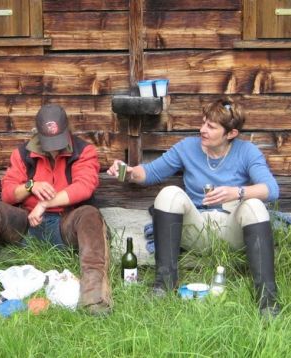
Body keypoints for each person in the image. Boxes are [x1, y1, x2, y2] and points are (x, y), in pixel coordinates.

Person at [107, 97, 281, 317]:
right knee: (169, 193)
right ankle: (164, 284)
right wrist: (129, 172)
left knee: (254, 204)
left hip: (231, 230)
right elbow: (151, 173)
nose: (202, 130)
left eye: (211, 126)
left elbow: (272, 190)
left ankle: (267, 299)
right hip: (197, 228)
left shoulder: (247, 152)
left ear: (231, 134)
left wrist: (237, 192)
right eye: (203, 122)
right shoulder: (188, 147)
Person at [0, 104, 112, 315]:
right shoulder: (23, 153)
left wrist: (45, 203)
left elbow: (85, 186)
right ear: (38, 134)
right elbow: (8, 193)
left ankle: (93, 298)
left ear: (67, 130)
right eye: (49, 142)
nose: (54, 148)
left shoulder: (84, 151)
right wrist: (31, 186)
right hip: (27, 224)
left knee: (90, 215)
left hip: (65, 224)